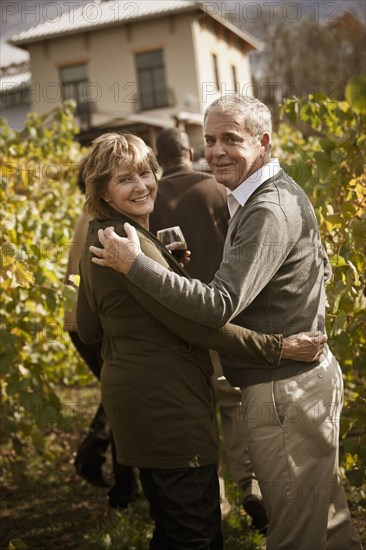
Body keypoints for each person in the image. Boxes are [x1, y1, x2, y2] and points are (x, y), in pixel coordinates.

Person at [90, 98, 362, 550]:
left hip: (284, 392)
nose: (215, 151)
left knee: (295, 536)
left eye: (231, 139)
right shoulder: (267, 195)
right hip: (297, 386)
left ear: (263, 142)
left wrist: (136, 265)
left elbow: (217, 306)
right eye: (210, 140)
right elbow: (320, 270)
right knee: (329, 528)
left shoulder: (266, 210)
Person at [149, 127, 268, 531]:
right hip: (222, 314)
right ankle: (251, 486)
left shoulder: (149, 200)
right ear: (189, 151)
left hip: (174, 321)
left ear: (158, 157)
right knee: (232, 403)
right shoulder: (217, 191)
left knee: (197, 410)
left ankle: (214, 502)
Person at [64, 158, 138, 508]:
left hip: (77, 321)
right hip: (90, 321)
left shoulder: (86, 214)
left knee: (116, 394)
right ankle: (120, 485)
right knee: (121, 398)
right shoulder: (100, 220)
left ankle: (99, 461)